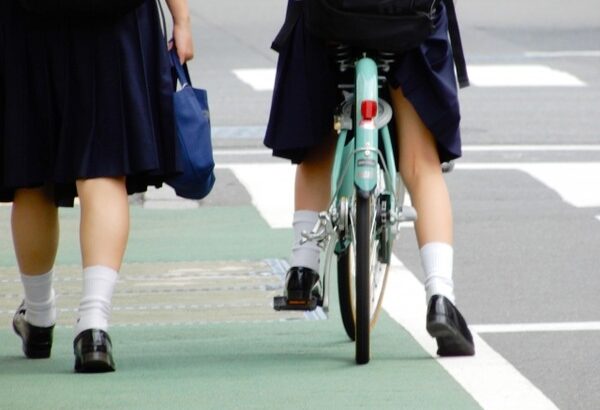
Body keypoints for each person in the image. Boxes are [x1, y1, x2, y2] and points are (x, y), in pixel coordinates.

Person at [265, 0, 475, 356]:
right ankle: (440, 296)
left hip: (329, 19)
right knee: (420, 164)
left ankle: (302, 268)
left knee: (319, 142)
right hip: (410, 19)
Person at [0, 0, 194, 372]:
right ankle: (93, 327)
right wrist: (181, 18)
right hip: (113, 19)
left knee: (33, 174)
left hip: (27, 21)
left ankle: (39, 318)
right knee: (104, 171)